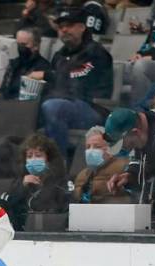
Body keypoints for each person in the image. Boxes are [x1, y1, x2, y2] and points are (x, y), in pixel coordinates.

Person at [39, 6, 113, 156]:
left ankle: (59, 166)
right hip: (64, 105)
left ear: (82, 27)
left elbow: (81, 88)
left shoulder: (96, 53)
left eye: (69, 25)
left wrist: (47, 75)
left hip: (93, 108)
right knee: (32, 109)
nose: (64, 30)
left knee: (53, 107)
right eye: (61, 27)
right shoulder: (59, 56)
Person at [105, 107, 155, 233]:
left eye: (125, 143)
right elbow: (142, 156)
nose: (125, 147)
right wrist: (129, 176)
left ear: (136, 132)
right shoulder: (142, 121)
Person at [0, 133, 70, 230]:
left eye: (38, 155)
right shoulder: (20, 181)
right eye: (29, 156)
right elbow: (4, 204)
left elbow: (65, 211)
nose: (33, 160)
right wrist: (21, 186)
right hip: (22, 235)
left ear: (48, 159)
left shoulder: (60, 182)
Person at [72, 125, 130, 204]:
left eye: (97, 146)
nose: (91, 151)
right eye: (88, 147)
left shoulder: (124, 169)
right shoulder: (82, 176)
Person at [0, 27, 52, 101]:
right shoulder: (13, 64)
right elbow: (2, 91)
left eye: (24, 44)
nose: (20, 48)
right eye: (18, 44)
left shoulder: (44, 67)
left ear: (36, 46)